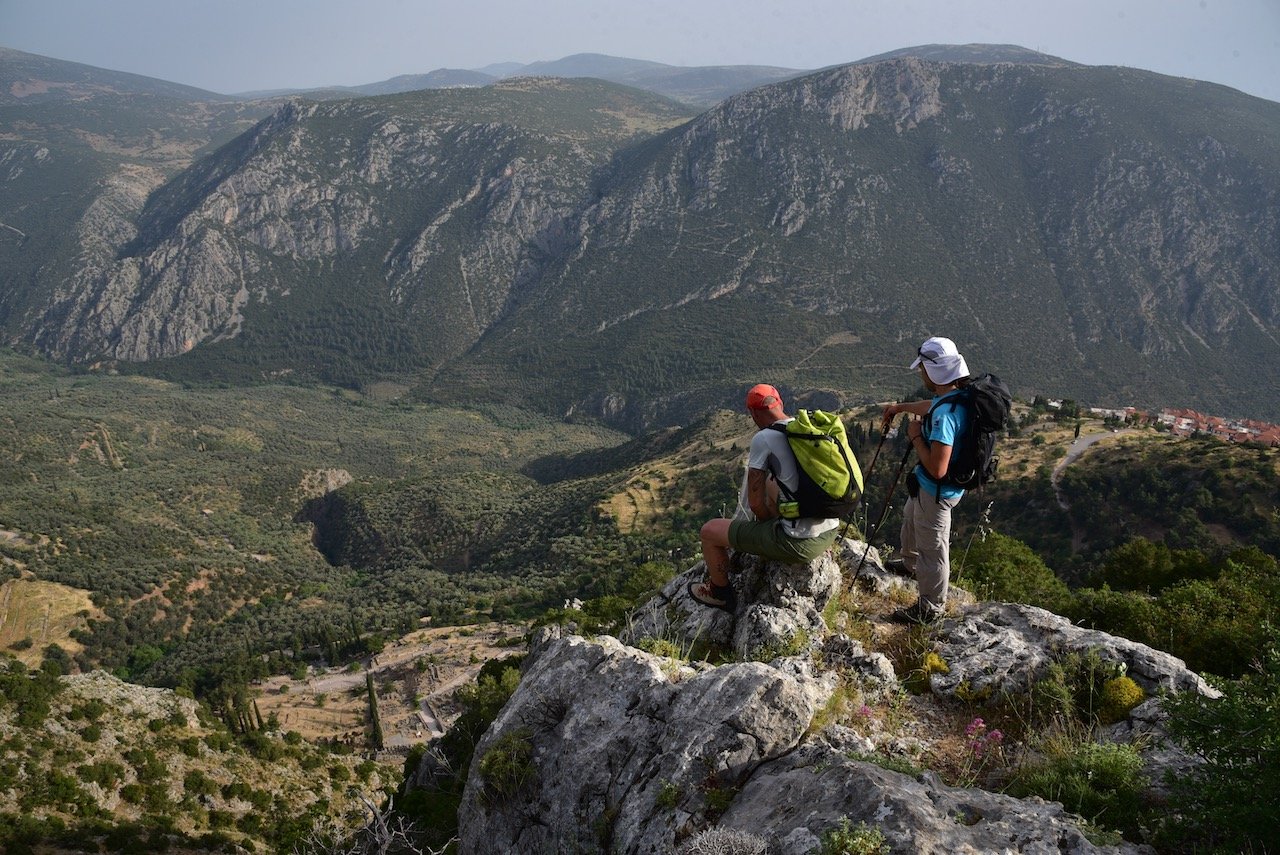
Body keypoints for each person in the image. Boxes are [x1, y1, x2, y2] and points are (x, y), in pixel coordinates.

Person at [689, 384, 842, 611]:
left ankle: (719, 593)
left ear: (752, 414)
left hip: (799, 543)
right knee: (774, 482)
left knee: (709, 532)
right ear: (780, 403)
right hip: (830, 529)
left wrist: (766, 527)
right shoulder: (805, 430)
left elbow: (755, 502)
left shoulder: (765, 438)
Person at [880, 336, 972, 624]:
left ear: (933, 371)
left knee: (933, 549)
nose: (921, 373)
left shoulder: (945, 416)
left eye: (922, 369)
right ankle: (909, 564)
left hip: (937, 490)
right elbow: (930, 406)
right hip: (931, 490)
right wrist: (902, 408)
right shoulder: (957, 397)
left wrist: (916, 437)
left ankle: (930, 609)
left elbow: (937, 468)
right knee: (910, 517)